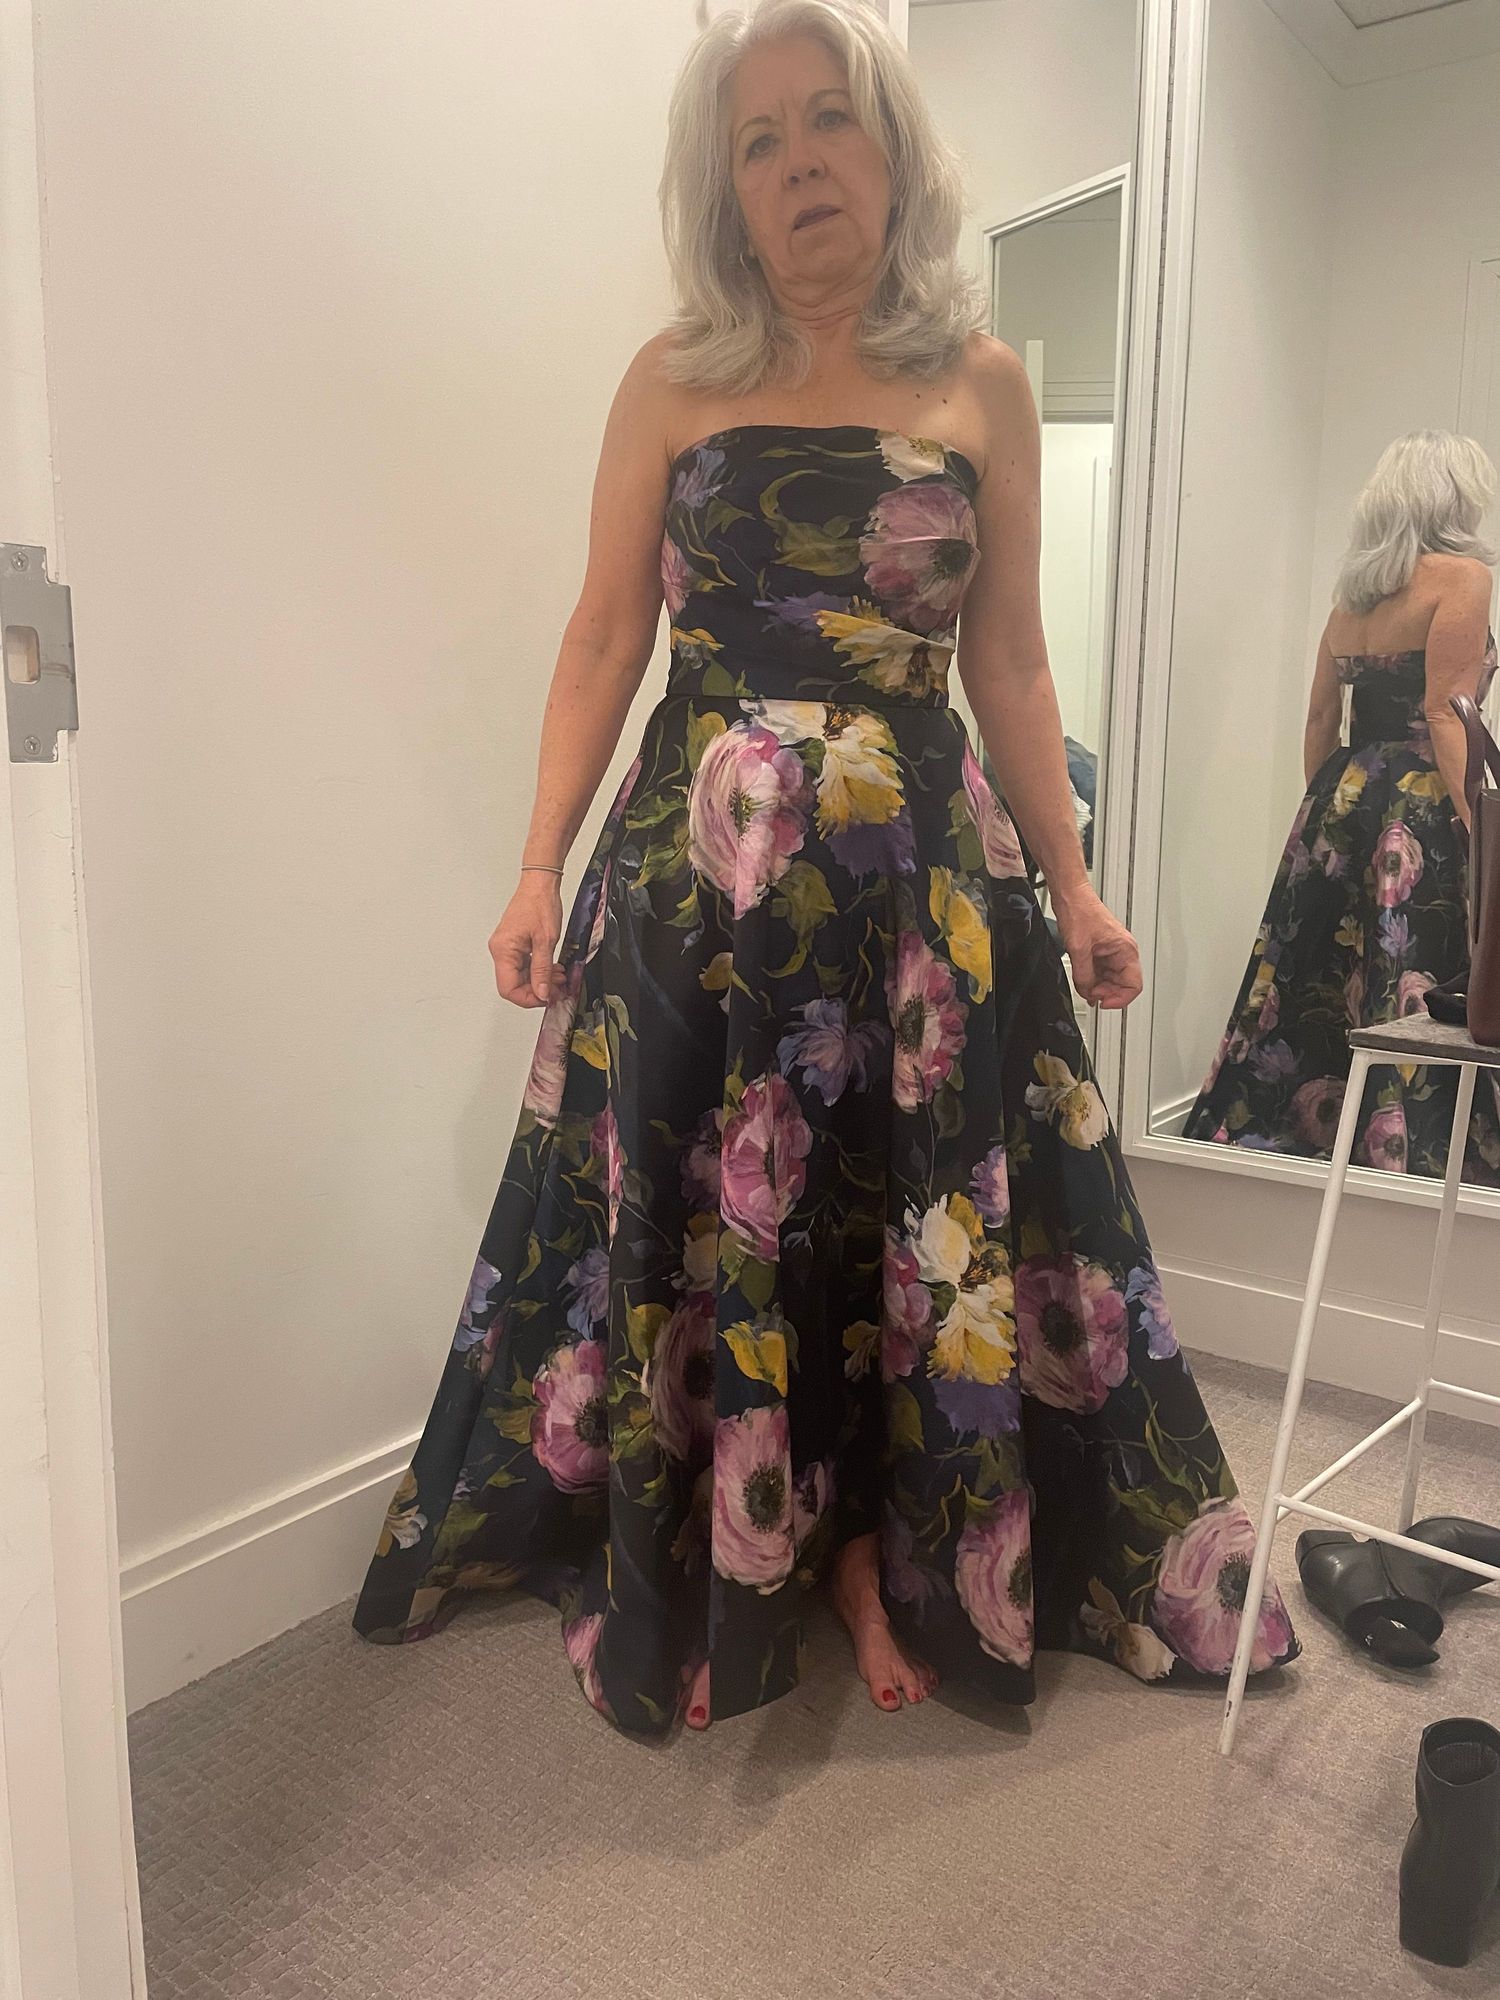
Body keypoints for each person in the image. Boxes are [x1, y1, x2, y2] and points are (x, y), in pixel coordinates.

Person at [352, 0, 1298, 1735]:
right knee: (733, 1221)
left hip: (921, 899)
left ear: (893, 145)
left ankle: (872, 1558)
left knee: (903, 1231)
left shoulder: (981, 383)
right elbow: (600, 638)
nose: (798, 163)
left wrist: (1077, 885)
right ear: (726, 187)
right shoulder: (672, 377)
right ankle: (740, 1561)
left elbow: (1012, 663)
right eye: (759, 139)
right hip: (702, 898)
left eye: (829, 119)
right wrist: (534, 864)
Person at [1184, 430, 1500, 1181]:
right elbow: (1445, 714)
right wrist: (1482, 829)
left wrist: (1325, 814)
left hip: (1341, 792)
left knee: (1316, 966)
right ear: (1454, 499)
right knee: (1414, 962)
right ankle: (1409, 1146)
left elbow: (1321, 718)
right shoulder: (1463, 577)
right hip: (1419, 801)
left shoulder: (1352, 598)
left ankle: (1299, 1126)